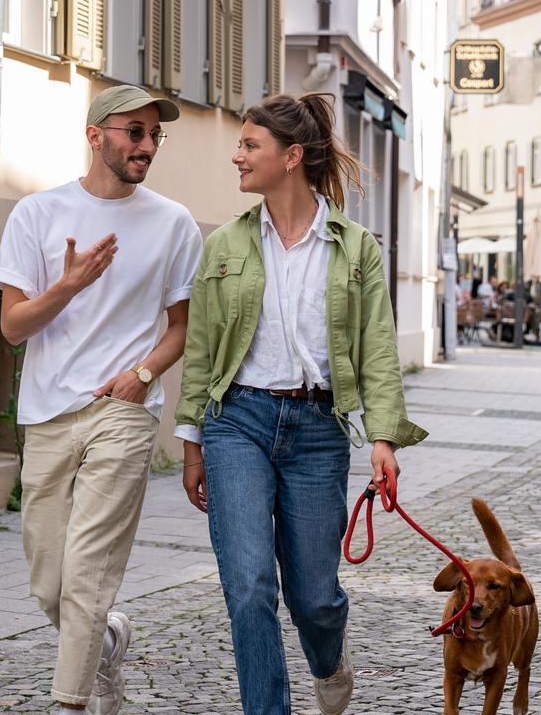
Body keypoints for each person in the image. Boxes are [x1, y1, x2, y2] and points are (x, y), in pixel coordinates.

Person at [177, 93, 426, 715]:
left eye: (249, 145)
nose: (237, 156)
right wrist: (192, 443)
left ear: (291, 157)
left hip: (317, 429)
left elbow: (377, 350)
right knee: (250, 584)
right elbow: (202, 350)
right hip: (237, 422)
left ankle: (328, 658)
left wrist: (384, 439)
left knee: (314, 596)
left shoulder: (354, 247)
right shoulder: (227, 246)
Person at [0, 85, 200, 714]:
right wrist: (70, 285)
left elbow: (184, 326)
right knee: (49, 583)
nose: (146, 145)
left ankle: (70, 703)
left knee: (87, 574)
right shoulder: (37, 214)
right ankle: (108, 640)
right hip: (49, 413)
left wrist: (142, 374)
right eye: (133, 132)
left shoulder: (173, 223)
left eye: (153, 135)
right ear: (95, 136)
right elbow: (13, 327)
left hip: (123, 411)